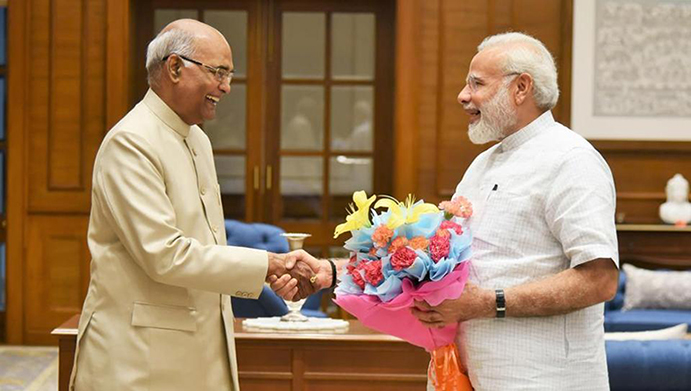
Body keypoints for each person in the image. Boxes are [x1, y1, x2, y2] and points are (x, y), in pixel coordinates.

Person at [71, 19, 325, 391]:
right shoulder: (131, 142)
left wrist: (264, 270)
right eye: (218, 72)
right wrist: (267, 264)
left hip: (197, 351)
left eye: (229, 75)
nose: (226, 86)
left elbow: (205, 247)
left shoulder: (196, 140)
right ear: (174, 67)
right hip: (139, 361)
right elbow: (164, 254)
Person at [411, 32, 619, 390]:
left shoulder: (572, 160)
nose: (463, 96)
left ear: (521, 88)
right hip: (465, 373)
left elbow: (599, 279)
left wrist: (490, 303)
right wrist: (334, 274)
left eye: (476, 84)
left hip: (542, 379)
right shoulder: (481, 164)